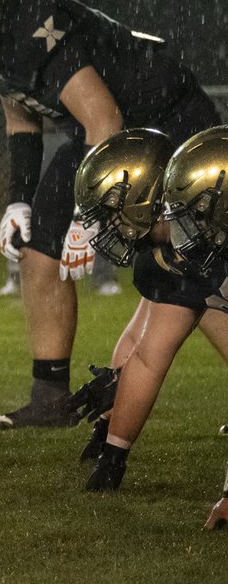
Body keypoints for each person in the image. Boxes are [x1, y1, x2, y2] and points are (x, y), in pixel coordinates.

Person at [0, 0, 219, 432]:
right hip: (99, 134)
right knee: (39, 246)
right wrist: (18, 200)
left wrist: (87, 217)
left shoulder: (35, 26)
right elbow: (19, 112)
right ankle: (50, 398)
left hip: (164, 123)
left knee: (187, 261)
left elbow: (105, 118)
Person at [70, 127, 228, 491]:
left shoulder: (196, 249)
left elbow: (148, 356)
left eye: (112, 211)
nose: (109, 223)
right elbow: (145, 349)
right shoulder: (174, 253)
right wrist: (111, 441)